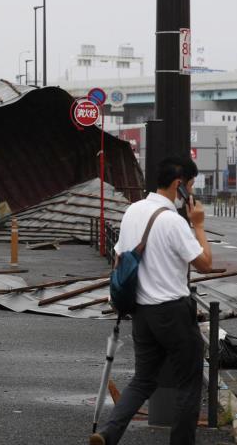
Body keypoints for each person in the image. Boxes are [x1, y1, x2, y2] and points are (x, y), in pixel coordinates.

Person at [90, 156, 213, 445]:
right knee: (188, 382)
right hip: (173, 312)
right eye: (190, 186)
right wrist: (198, 225)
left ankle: (108, 433)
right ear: (179, 184)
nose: (190, 193)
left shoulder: (133, 211)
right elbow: (205, 263)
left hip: (141, 313)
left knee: (143, 380)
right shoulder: (173, 221)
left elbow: (119, 258)